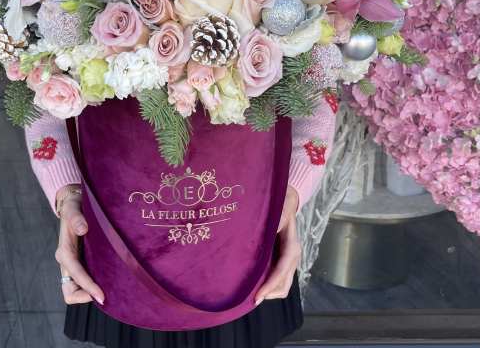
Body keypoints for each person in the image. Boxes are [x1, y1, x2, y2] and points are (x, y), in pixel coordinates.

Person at [25, 95, 337, 348]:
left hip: (241, 244)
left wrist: (291, 190)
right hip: (126, 247)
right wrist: (67, 191)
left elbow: (315, 73)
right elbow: (37, 70)